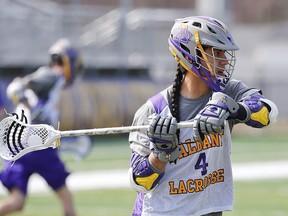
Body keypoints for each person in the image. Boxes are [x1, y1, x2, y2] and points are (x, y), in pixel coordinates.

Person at [128, 16, 278, 216]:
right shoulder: (154, 109)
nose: (224, 60)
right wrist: (160, 154)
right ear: (191, 53)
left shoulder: (229, 92)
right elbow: (139, 181)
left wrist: (233, 109)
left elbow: (268, 113)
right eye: (217, 52)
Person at [0, 38, 84, 216]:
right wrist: (31, 109)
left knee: (17, 203)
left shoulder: (52, 80)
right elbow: (16, 87)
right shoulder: (51, 76)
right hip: (36, 146)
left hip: (17, 145)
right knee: (67, 199)